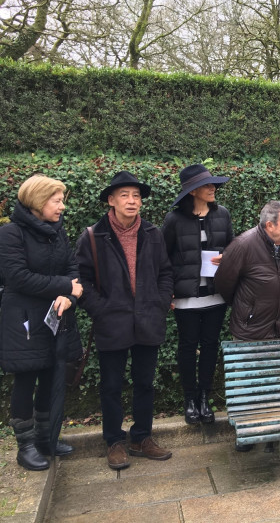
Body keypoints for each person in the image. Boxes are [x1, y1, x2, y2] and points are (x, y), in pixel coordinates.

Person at [76, 171, 173, 470]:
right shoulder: (94, 235)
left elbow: (166, 272)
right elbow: (82, 279)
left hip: (148, 319)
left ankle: (141, 437)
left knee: (145, 383)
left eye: (136, 196)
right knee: (111, 385)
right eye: (125, 195)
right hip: (112, 322)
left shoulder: (152, 234)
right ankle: (114, 441)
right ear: (111, 200)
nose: (132, 201)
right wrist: (100, 309)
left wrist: (158, 303)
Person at [0, 175, 83, 471]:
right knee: (25, 379)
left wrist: (69, 299)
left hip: (55, 318)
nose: (62, 207)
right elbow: (17, 277)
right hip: (23, 321)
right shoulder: (11, 234)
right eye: (57, 200)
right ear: (38, 201)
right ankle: (25, 447)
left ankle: (46, 438)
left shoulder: (57, 232)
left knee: (51, 376)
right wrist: (64, 286)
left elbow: (74, 271)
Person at [162, 164, 234, 426]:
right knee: (188, 347)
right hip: (186, 297)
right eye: (206, 185)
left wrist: (226, 257)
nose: (212, 188)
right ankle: (189, 399)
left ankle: (204, 397)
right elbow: (163, 258)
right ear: (192, 192)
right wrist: (167, 291)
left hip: (216, 295)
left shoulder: (222, 214)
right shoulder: (174, 220)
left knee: (211, 347)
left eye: (213, 184)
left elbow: (233, 248)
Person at [215, 200, 280, 341]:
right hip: (251, 333)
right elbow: (224, 284)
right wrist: (250, 309)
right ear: (270, 225)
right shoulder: (243, 245)